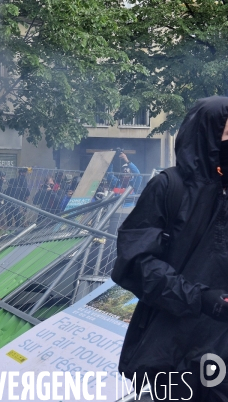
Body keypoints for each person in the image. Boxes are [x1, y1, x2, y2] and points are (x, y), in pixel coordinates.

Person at [112, 96, 228, 401]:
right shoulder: (168, 187)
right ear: (209, 134)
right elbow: (136, 262)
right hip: (177, 351)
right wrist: (199, 298)